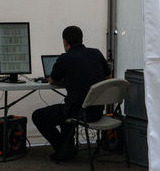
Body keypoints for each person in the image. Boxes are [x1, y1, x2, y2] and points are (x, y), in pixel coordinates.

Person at [31, 25, 109, 162]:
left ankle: (63, 147)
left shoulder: (65, 58)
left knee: (38, 115)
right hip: (97, 111)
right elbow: (108, 78)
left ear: (65, 42)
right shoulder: (96, 53)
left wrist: (66, 80)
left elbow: (52, 80)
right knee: (67, 108)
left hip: (78, 112)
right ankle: (67, 146)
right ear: (82, 39)